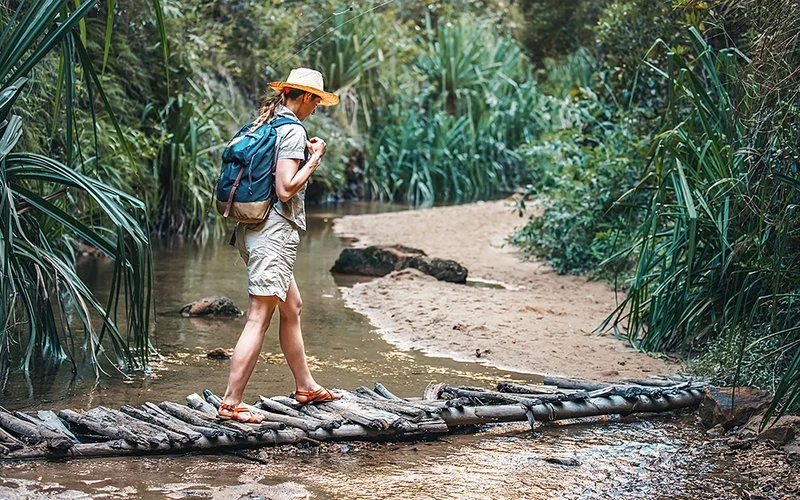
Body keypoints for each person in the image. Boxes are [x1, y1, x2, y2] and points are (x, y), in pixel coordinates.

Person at [218, 68, 341, 423]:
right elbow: (286, 188)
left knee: (293, 306)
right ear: (304, 97)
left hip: (251, 227)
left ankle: (305, 386)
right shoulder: (291, 130)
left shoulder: (265, 123)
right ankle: (231, 402)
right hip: (272, 233)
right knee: (259, 316)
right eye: (315, 101)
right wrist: (314, 160)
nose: (316, 108)